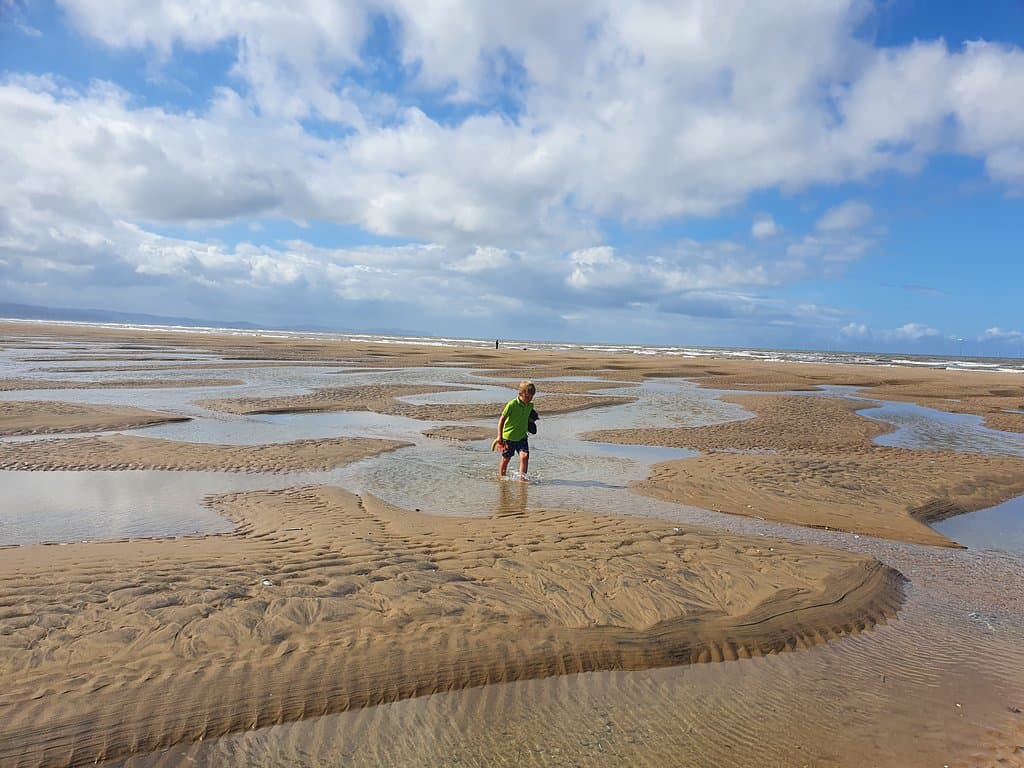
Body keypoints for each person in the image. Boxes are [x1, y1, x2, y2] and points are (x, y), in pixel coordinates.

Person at [496, 380, 536, 480]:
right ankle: (502, 478)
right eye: (527, 397)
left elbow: (529, 417)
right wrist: (499, 436)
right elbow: (502, 420)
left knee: (525, 456)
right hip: (509, 437)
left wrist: (531, 422)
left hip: (522, 436)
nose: (529, 399)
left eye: (531, 397)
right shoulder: (511, 405)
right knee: (506, 458)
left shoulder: (530, 405)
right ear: (520, 394)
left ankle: (522, 479)